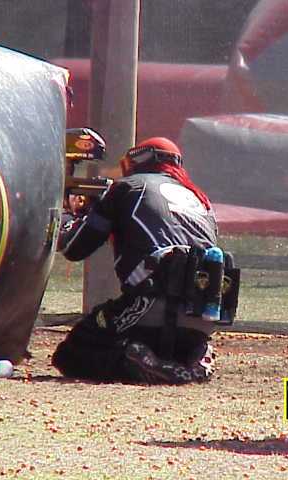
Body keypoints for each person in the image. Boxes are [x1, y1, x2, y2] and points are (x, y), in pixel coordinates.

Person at [52, 134, 220, 384]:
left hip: (151, 305)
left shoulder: (128, 188)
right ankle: (194, 355)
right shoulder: (201, 200)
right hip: (202, 320)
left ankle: (134, 361)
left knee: (72, 354)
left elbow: (75, 248)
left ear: (138, 160)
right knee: (161, 334)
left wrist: (73, 215)